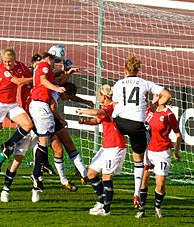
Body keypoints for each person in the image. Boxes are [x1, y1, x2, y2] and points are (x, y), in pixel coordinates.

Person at [111, 55, 172, 208]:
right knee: (142, 159)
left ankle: (113, 160)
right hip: (137, 124)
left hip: (119, 122)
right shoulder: (145, 83)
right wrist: (154, 106)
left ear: (125, 70)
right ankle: (137, 193)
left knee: (123, 141)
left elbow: (115, 103)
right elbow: (168, 95)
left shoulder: (118, 83)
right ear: (137, 70)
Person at [76, 84, 126, 216]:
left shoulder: (110, 107)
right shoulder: (106, 108)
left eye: (99, 94)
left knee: (106, 176)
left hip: (115, 146)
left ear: (104, 96)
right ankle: (101, 201)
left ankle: (106, 209)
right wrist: (85, 122)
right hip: (106, 147)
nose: (98, 97)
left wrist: (82, 110)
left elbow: (97, 113)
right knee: (91, 173)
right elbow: (97, 119)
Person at [0, 48, 33, 173]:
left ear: (14, 59)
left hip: (11, 104)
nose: (6, 64)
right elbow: (17, 81)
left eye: (9, 62)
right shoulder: (2, 69)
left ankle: (7, 145)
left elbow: (29, 76)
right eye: (4, 61)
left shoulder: (21, 66)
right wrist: (36, 78)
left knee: (28, 125)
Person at [135, 94, 181, 218]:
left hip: (162, 152)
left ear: (163, 98)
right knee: (144, 179)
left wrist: (176, 152)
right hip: (147, 151)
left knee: (160, 183)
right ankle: (142, 209)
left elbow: (178, 135)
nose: (154, 97)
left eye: (157, 96)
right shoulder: (149, 111)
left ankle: (157, 207)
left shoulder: (169, 115)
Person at [29, 52, 65, 200]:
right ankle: (36, 173)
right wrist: (56, 89)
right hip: (40, 105)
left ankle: (37, 177)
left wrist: (65, 71)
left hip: (39, 106)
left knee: (44, 141)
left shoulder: (44, 68)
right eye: (54, 61)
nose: (53, 64)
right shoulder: (43, 65)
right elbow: (44, 81)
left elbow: (54, 77)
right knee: (44, 142)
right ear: (48, 58)